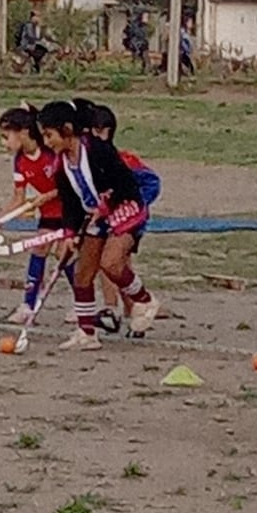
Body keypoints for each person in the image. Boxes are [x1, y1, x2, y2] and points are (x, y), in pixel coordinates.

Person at [37, 99, 160, 351]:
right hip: (94, 217)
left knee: (112, 263)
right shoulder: (61, 164)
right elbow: (70, 202)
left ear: (67, 129)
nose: (47, 142)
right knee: (83, 274)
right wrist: (71, 231)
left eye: (50, 135)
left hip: (125, 208)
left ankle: (144, 301)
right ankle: (86, 333)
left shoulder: (98, 150)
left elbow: (126, 182)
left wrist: (107, 202)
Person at [0, 103, 75, 324]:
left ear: (22, 132)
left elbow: (68, 185)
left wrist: (46, 196)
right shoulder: (20, 161)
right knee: (39, 249)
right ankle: (28, 305)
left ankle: (81, 304)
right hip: (48, 213)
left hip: (68, 209)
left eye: (5, 137)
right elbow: (18, 198)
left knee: (63, 254)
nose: (4, 143)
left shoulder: (50, 152)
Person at [91, 105, 161, 337]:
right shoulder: (89, 162)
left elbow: (152, 183)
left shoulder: (125, 160)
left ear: (104, 132)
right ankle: (111, 309)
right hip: (105, 219)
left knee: (119, 262)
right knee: (105, 262)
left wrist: (134, 204)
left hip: (129, 219)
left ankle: (136, 309)